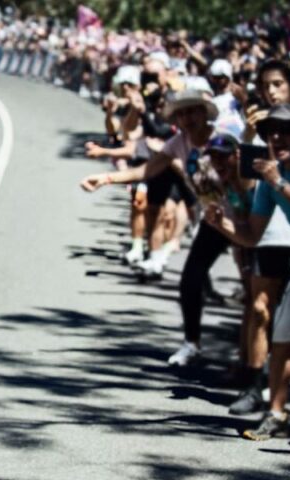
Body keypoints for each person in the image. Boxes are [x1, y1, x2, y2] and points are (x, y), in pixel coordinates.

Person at [81, 89, 222, 366]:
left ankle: (260, 367)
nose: (187, 118)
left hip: (247, 218)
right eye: (181, 113)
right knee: (190, 281)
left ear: (205, 113)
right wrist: (107, 178)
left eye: (193, 111)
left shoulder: (223, 139)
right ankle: (192, 344)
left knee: (260, 296)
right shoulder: (179, 142)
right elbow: (145, 170)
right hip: (215, 221)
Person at [205, 104, 290, 440]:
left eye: (286, 131)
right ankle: (276, 414)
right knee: (282, 338)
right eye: (272, 131)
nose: (277, 137)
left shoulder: (275, 177)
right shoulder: (270, 180)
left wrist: (278, 181)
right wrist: (222, 223)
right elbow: (252, 235)